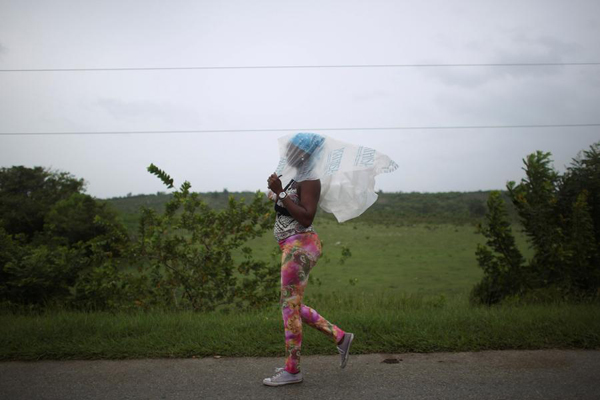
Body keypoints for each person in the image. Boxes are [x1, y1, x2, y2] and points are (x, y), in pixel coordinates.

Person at [263, 133, 354, 387]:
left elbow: (306, 217)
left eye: (293, 149)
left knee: (288, 306)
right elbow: (281, 201)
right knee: (289, 304)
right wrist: (276, 190)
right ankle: (340, 337)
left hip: (301, 244)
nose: (288, 153)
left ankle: (293, 371)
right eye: (288, 148)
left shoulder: (311, 180)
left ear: (305, 153)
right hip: (291, 245)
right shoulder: (293, 176)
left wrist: (280, 193)